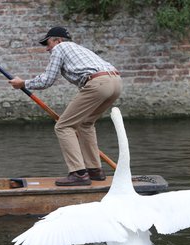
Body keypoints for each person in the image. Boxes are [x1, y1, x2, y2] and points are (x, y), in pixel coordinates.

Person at [9, 26, 123, 186]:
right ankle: (95, 171)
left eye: (48, 43)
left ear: (58, 40)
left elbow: (47, 80)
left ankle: (79, 173)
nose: (47, 48)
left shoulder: (60, 48)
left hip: (99, 83)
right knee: (85, 124)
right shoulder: (80, 49)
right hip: (116, 82)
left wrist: (23, 83)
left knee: (63, 126)